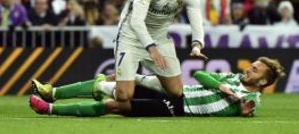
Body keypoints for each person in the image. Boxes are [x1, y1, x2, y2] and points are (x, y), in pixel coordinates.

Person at [102, 0, 207, 103]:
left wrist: (197, 45)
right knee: (124, 96)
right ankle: (100, 85)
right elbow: (136, 21)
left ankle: (132, 78)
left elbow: (196, 19)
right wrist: (151, 49)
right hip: (131, 35)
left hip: (159, 37)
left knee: (176, 91)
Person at [29, 57, 285, 117]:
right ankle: (52, 92)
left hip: (180, 107)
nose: (249, 70)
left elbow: (247, 109)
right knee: (113, 81)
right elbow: (199, 73)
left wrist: (243, 108)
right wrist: (222, 86)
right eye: (252, 66)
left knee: (115, 105)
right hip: (176, 91)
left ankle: (50, 109)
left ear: (262, 82)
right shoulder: (231, 79)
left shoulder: (252, 97)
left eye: (255, 70)